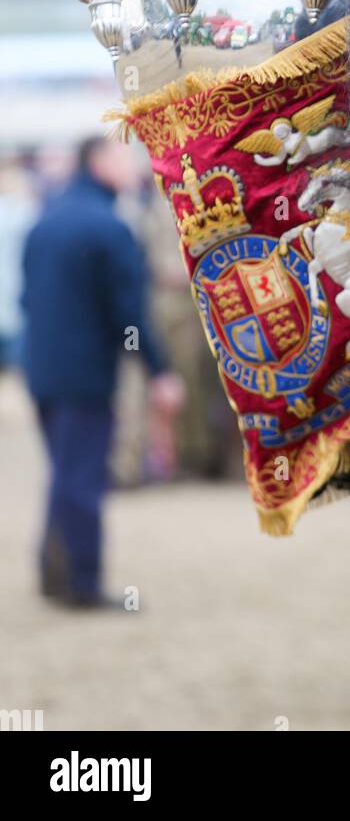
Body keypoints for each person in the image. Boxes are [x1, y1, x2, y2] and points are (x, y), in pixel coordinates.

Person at [20, 136, 182, 608]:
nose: (134, 168)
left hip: (42, 369)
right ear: (97, 162)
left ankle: (55, 572)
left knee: (65, 472)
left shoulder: (45, 220)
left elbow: (28, 298)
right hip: (84, 375)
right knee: (83, 477)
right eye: (123, 158)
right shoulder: (108, 227)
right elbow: (129, 313)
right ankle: (83, 584)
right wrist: (159, 371)